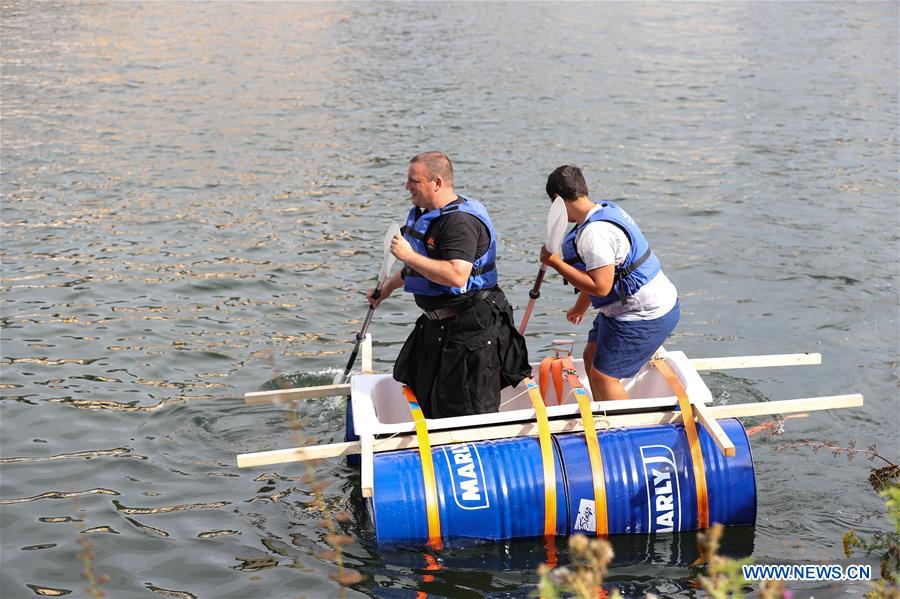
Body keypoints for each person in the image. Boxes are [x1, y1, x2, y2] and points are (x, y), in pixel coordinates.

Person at [368, 151, 530, 418]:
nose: (407, 187)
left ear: (437, 182)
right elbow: (419, 267)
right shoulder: (429, 214)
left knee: (466, 404)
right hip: (438, 325)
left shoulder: (459, 222)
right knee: (428, 395)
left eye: (414, 181)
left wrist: (408, 255)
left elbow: (457, 275)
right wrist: (386, 290)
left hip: (471, 328)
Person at [538, 165, 680, 401]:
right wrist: (580, 307)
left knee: (604, 376)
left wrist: (556, 263)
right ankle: (604, 414)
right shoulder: (603, 210)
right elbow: (607, 274)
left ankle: (623, 430)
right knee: (591, 355)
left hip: (644, 313)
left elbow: (602, 286)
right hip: (634, 305)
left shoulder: (594, 233)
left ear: (557, 201)